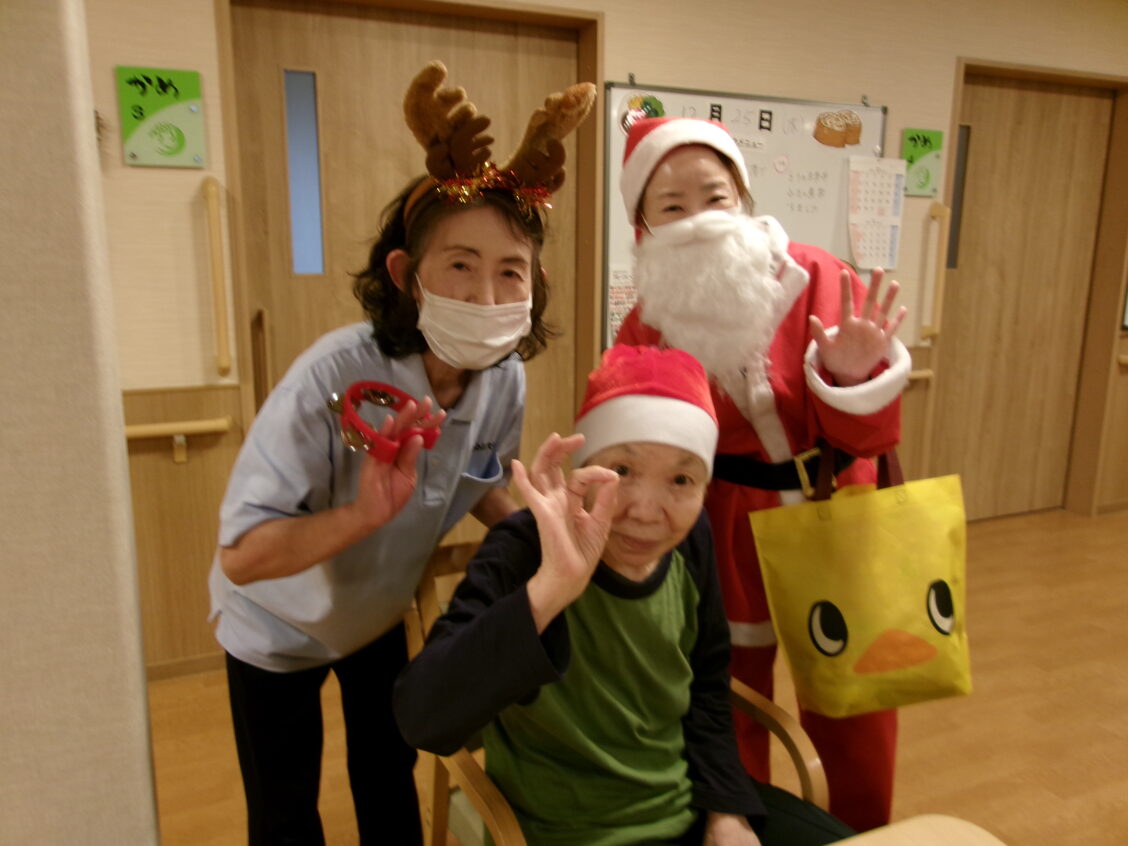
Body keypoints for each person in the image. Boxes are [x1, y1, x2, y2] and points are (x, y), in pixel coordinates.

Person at [207, 61, 595, 845]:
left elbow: (480, 479)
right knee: (284, 810)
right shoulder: (331, 377)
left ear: (535, 284)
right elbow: (243, 558)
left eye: (510, 272)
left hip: (377, 615)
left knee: (389, 782)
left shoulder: (502, 381)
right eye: (460, 266)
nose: (487, 298)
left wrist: (550, 533)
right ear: (407, 276)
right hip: (275, 622)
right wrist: (362, 515)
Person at [394, 344, 856, 846]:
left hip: (689, 803)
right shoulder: (525, 549)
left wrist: (726, 813)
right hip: (569, 831)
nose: (646, 511)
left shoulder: (692, 540)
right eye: (622, 471)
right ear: (584, 465)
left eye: (681, 479)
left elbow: (707, 684)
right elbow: (423, 720)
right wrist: (550, 590)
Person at [613, 117, 911, 831]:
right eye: (672, 205)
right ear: (644, 226)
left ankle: (859, 834)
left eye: (714, 197)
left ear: (742, 198)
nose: (698, 219)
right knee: (728, 693)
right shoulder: (648, 321)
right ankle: (747, 827)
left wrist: (851, 377)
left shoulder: (821, 276)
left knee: (855, 694)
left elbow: (869, 435)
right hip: (720, 519)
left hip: (834, 507)